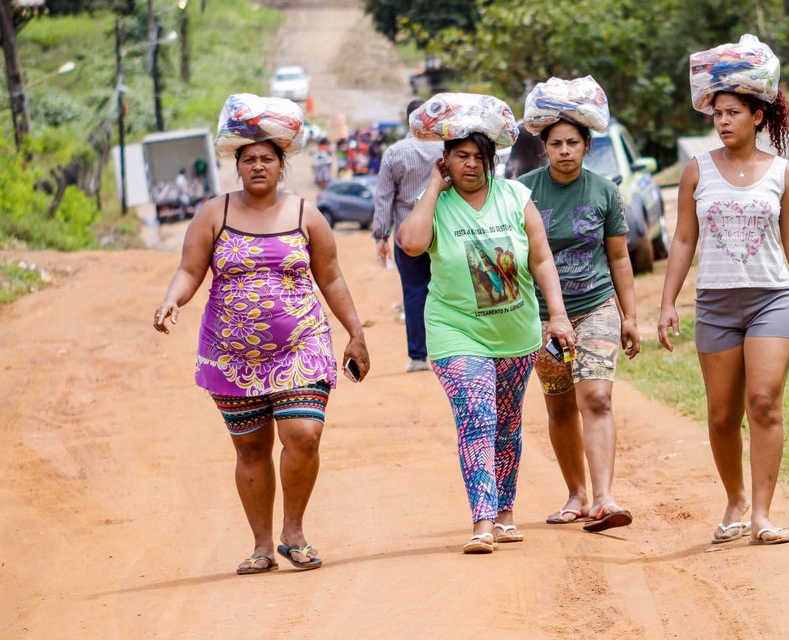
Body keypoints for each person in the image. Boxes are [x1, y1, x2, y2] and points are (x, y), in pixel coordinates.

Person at [153, 94, 370, 574]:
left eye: (266, 159)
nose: (257, 166)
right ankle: (262, 545)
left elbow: (331, 278)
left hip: (301, 345)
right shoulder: (214, 213)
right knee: (250, 448)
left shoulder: (307, 215)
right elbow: (189, 271)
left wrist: (354, 332)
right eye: (248, 159)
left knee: (304, 434)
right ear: (237, 166)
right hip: (232, 355)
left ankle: (294, 532)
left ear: (281, 165)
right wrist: (173, 299)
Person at [660, 37, 789, 546]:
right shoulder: (697, 170)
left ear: (758, 116)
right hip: (715, 303)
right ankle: (734, 500)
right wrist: (667, 303)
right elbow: (684, 238)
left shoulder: (782, 173)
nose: (724, 121)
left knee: (764, 402)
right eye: (718, 113)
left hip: (770, 299)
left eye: (734, 112)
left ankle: (762, 515)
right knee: (723, 414)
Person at [397, 96, 575, 554]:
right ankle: (482, 520)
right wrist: (434, 188)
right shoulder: (433, 202)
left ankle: (505, 512)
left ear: (491, 159)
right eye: (461, 156)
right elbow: (412, 245)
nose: (471, 165)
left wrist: (557, 315)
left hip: (516, 333)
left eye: (479, 156)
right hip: (455, 330)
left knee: (508, 423)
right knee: (477, 415)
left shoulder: (516, 197)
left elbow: (541, 259)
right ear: (446, 160)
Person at [517, 116, 640, 532]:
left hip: (596, 307)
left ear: (587, 145)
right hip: (542, 318)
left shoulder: (605, 191)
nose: (565, 150)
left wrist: (630, 317)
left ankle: (604, 497)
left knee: (597, 398)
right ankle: (576, 494)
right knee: (561, 404)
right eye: (556, 144)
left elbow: (619, 258)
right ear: (545, 148)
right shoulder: (524, 192)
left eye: (573, 142)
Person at [372, 99, 444, 373]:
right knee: (450, 292)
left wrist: (381, 237)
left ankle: (417, 357)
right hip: (444, 232)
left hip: (408, 237)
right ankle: (447, 352)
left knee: (414, 293)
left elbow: (384, 197)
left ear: (408, 120)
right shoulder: (446, 149)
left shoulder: (395, 152)